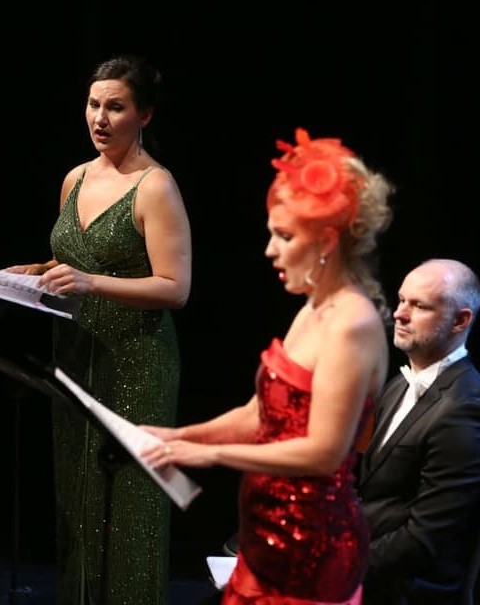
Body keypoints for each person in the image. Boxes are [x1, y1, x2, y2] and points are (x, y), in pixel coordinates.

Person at [140, 128, 394, 604]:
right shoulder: (313, 308)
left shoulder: (352, 324)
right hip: (268, 535)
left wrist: (213, 455)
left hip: (311, 547)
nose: (270, 250)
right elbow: (261, 413)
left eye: (285, 236)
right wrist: (179, 437)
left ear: (327, 240)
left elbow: (323, 453)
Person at [5, 54, 192, 605]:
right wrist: (40, 270)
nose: (100, 118)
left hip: (136, 362)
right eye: (93, 105)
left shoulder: (155, 187)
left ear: (145, 115)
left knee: (128, 511)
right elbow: (77, 257)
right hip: (75, 353)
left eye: (115, 107)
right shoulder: (76, 178)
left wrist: (90, 283)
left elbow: (175, 288)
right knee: (79, 503)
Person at [359, 258, 480, 605]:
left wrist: (336, 565)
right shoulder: (398, 385)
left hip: (408, 593)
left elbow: (427, 538)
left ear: (460, 320)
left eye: (419, 306)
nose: (399, 314)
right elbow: (373, 493)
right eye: (401, 300)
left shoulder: (465, 407)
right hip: (371, 576)